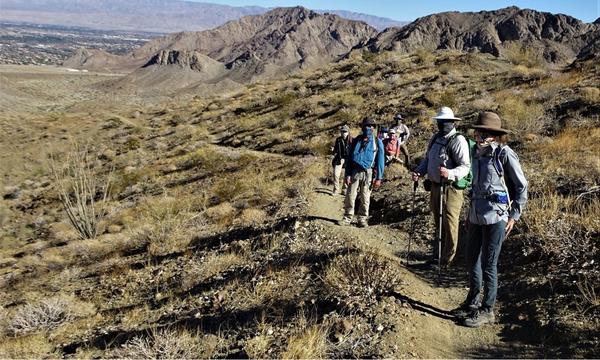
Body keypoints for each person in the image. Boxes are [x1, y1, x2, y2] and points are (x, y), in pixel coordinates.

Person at [452, 112, 528, 327]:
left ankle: (488, 310)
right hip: (476, 213)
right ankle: (473, 302)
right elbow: (475, 187)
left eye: (483, 132)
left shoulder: (504, 154)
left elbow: (521, 186)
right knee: (471, 258)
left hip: (497, 215)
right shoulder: (476, 153)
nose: (478, 135)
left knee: (489, 263)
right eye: (477, 131)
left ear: (494, 135)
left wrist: (514, 215)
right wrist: (469, 214)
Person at [412, 107, 470, 267]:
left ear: (452, 122)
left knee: (450, 222)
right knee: (438, 221)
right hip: (436, 186)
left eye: (445, 122)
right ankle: (437, 256)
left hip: (451, 188)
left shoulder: (458, 141)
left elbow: (465, 167)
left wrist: (450, 173)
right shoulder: (435, 138)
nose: (442, 124)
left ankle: (447, 260)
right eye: (440, 121)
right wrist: (419, 172)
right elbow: (428, 159)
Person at [338, 117, 385, 228]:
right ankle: (347, 217)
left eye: (370, 126)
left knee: (365, 197)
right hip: (355, 171)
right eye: (366, 126)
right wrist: (347, 174)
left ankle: (362, 219)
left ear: (374, 128)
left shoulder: (377, 143)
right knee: (350, 195)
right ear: (362, 127)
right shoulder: (356, 141)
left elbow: (380, 161)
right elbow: (349, 159)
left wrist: (379, 178)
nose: (368, 128)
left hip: (368, 173)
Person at [331, 125, 353, 195]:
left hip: (348, 159)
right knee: (336, 174)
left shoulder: (351, 140)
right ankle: (336, 189)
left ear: (348, 132)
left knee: (347, 175)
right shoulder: (338, 140)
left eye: (345, 131)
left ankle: (344, 189)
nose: (343, 133)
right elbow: (336, 149)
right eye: (342, 131)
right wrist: (333, 150)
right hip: (339, 158)